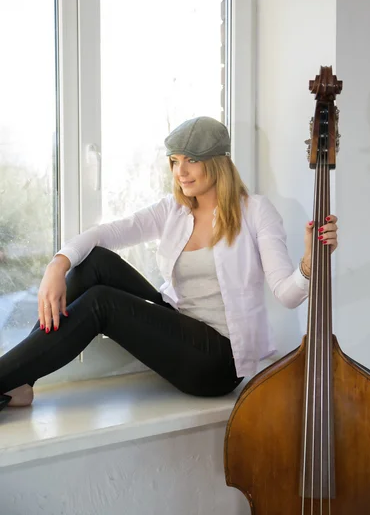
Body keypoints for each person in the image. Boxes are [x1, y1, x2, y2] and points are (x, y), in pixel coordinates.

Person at [0, 116, 338, 411]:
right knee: (93, 262)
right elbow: (105, 233)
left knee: (101, 303)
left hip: (218, 359)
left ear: (218, 161)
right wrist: (56, 265)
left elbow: (287, 294)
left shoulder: (256, 212)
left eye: (191, 160)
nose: (181, 172)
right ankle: (19, 382)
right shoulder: (174, 210)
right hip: (180, 326)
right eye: (174, 161)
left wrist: (309, 263)